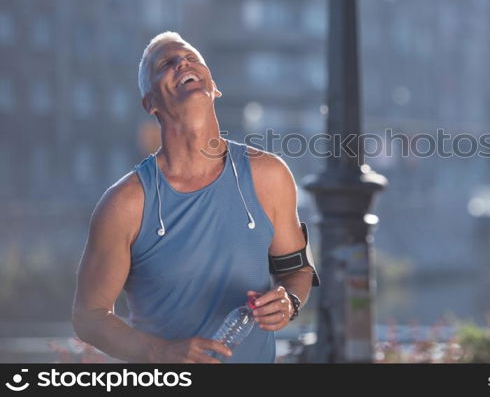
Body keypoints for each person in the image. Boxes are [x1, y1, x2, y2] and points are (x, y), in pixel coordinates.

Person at [72, 32, 319, 363]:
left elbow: (298, 270)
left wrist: (289, 300)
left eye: (191, 58)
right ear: (150, 103)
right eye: (166, 63)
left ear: (214, 87)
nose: (182, 62)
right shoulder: (126, 204)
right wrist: (162, 352)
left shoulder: (269, 176)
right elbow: (89, 317)